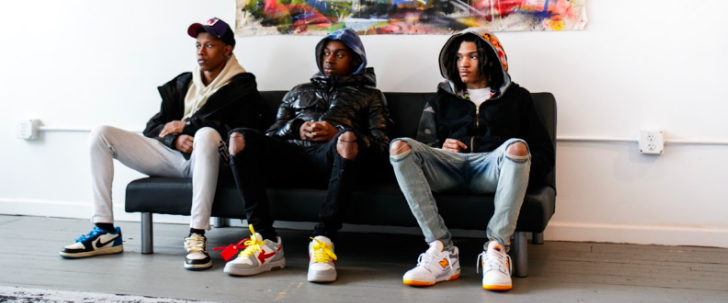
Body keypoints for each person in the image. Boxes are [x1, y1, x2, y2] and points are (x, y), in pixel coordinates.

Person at [60, 18, 263, 270]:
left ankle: (197, 234)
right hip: (176, 158)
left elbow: (243, 132)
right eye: (198, 46)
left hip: (215, 160)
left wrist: (189, 127)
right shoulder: (183, 83)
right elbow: (153, 126)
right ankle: (104, 231)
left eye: (209, 45)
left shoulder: (244, 85)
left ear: (227, 49)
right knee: (101, 133)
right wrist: (174, 139)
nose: (201, 51)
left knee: (206, 135)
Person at [219, 28, 392, 283]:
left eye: (339, 54)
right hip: (290, 158)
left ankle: (323, 241)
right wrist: (296, 128)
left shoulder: (371, 96)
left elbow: (382, 144)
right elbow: (272, 134)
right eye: (325, 53)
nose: (329, 60)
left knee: (347, 139)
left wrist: (339, 132)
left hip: (333, 162)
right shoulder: (297, 91)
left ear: (356, 60)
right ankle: (266, 241)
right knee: (238, 138)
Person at [389, 29, 554, 291]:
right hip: (448, 169)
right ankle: (441, 249)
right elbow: (422, 145)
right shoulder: (441, 100)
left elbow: (543, 153)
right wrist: (440, 146)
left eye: (472, 57)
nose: (463, 64)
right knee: (399, 147)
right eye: (458, 57)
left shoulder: (518, 98)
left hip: (493, 171)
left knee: (518, 147)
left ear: (490, 59)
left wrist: (512, 166)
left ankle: (497, 249)